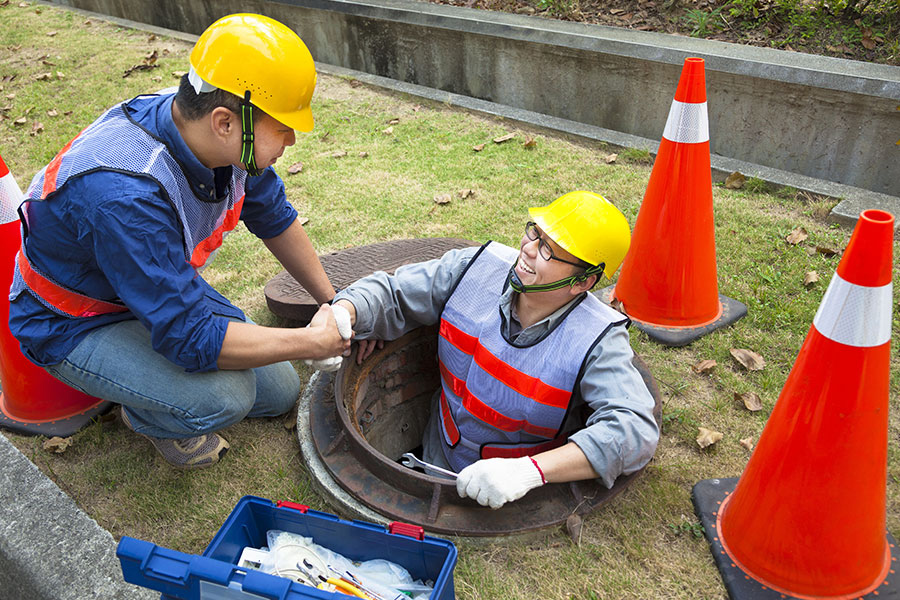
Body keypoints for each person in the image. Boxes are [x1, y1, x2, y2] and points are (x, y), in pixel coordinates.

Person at [8, 14, 351, 469]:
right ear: (225, 122)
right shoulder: (125, 196)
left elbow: (273, 215)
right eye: (283, 127)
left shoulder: (211, 131)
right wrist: (312, 343)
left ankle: (149, 379)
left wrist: (331, 301)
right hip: (74, 320)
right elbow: (192, 337)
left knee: (279, 392)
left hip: (146, 290)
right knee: (225, 398)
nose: (292, 139)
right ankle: (147, 414)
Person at [334, 191, 660, 509]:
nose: (529, 249)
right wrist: (343, 314)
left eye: (549, 249)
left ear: (583, 282)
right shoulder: (476, 269)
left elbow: (632, 431)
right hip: (437, 453)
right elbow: (393, 292)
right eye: (535, 231)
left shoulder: (597, 341)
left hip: (512, 494)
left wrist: (530, 472)